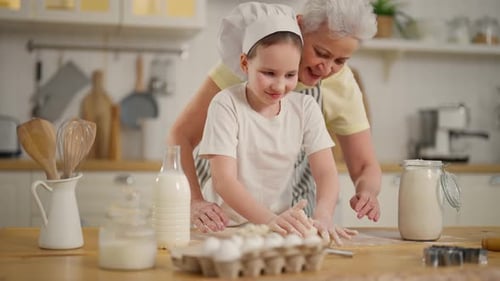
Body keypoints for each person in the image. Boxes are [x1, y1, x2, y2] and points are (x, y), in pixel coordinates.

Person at [168, 0, 382, 243]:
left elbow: (364, 166)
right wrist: (195, 200)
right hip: (221, 217)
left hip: (288, 221)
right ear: (300, 26)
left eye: (341, 61)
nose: (327, 68)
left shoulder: (324, 96)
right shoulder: (250, 61)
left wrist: (367, 193)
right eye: (321, 53)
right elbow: (181, 136)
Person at [198, 2, 340, 239]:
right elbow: (224, 181)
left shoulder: (305, 108)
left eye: (290, 75)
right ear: (245, 63)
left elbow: (326, 172)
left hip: (276, 228)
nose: (279, 85)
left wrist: (324, 215)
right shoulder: (226, 104)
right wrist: (271, 220)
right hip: (224, 227)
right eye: (269, 73)